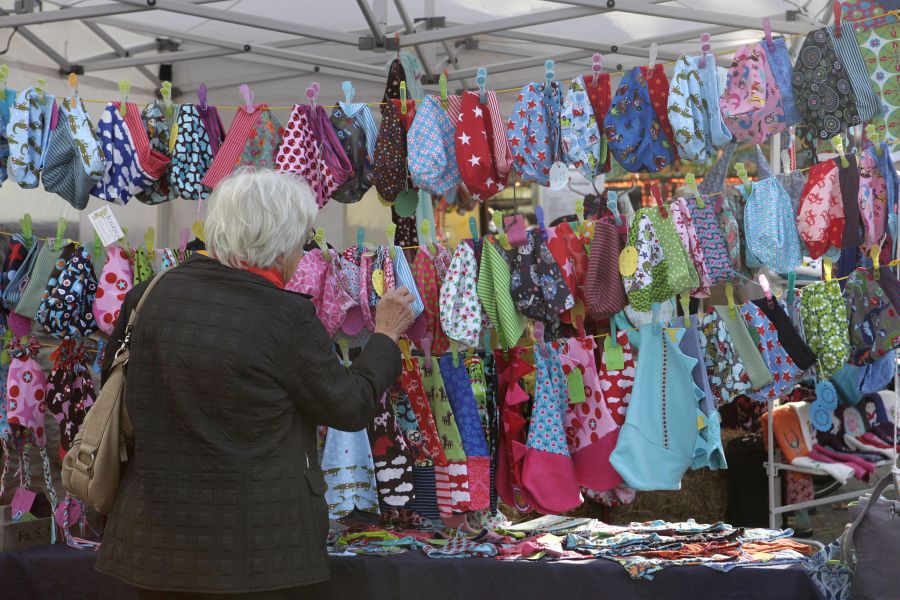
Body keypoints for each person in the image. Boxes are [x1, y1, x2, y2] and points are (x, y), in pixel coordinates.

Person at [96, 168, 415, 599]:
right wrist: (385, 336)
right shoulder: (283, 315)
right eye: (303, 239)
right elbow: (350, 405)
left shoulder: (149, 294)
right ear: (282, 242)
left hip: (153, 541)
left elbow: (116, 385)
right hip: (255, 549)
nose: (303, 252)